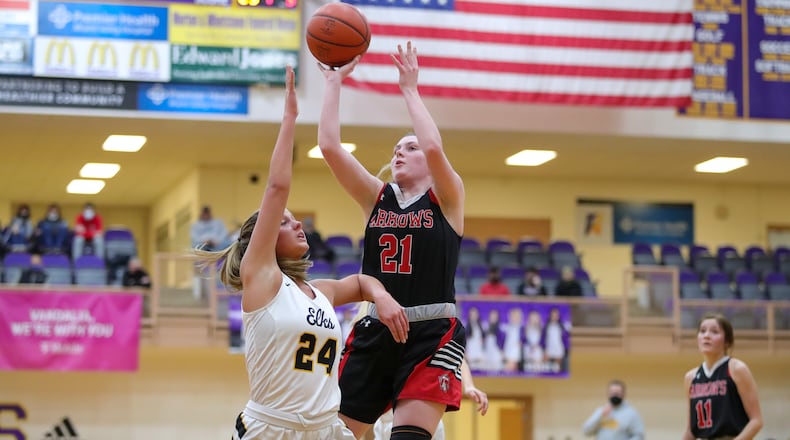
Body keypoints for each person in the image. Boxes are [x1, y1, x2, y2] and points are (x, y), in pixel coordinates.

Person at [193, 66, 408, 440]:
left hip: (325, 429)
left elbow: (359, 281)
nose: (296, 225)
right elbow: (277, 188)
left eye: (296, 221)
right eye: (284, 223)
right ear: (261, 242)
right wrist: (290, 117)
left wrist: (382, 296)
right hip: (272, 428)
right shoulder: (260, 279)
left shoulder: (319, 292)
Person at [318, 41, 467, 439]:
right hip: (376, 327)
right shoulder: (377, 197)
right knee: (337, 435)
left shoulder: (447, 198)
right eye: (397, 148)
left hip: (432, 332)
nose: (400, 152)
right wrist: (333, 83)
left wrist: (409, 89)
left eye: (410, 148)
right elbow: (330, 148)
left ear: (431, 167)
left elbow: (434, 145)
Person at [682, 313, 763, 440]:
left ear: (727, 341)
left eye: (714, 331)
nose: (707, 336)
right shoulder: (690, 377)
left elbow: (756, 421)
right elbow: (690, 430)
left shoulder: (736, 369)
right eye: (702, 331)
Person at [372, 359, 489, 440]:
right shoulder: (372, 330)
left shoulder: (428, 328)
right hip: (384, 419)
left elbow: (459, 356)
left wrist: (469, 385)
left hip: (421, 415)